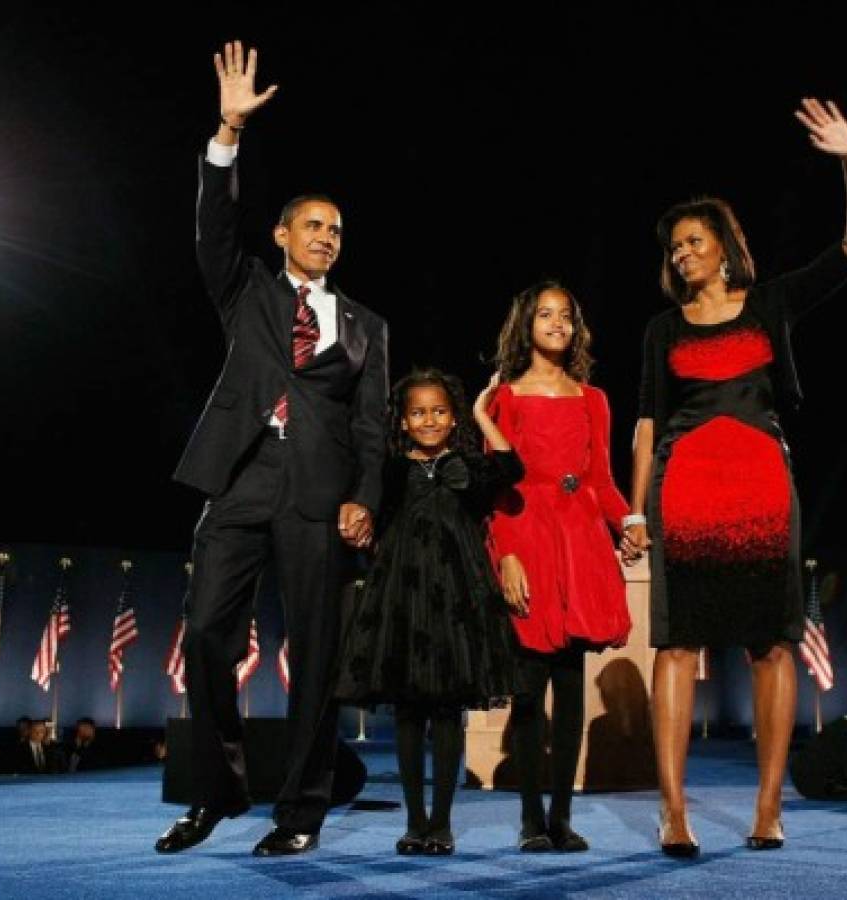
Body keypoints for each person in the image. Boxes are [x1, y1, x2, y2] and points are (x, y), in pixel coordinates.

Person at [623, 99, 847, 856]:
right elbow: (644, 424)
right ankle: (673, 811)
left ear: (724, 247)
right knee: (674, 647)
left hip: (762, 489)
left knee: (771, 643)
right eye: (673, 248)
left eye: (692, 242)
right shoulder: (661, 330)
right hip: (686, 490)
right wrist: (634, 513)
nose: (681, 255)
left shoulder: (769, 303)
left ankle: (768, 807)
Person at [156, 41, 389, 857]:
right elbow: (211, 225)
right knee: (205, 635)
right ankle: (215, 793)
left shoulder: (367, 327)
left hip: (321, 498)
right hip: (241, 480)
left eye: (337, 230)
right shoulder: (244, 287)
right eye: (314, 225)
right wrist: (228, 130)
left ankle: (301, 814)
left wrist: (365, 495)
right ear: (283, 232)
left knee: (317, 659)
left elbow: (371, 424)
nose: (327, 237)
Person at [337, 369, 522, 856]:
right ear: (402, 421)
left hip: (456, 601)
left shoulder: (467, 465)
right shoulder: (391, 470)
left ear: (453, 415)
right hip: (401, 598)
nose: (430, 420)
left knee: (446, 712)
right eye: (418, 413)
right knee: (407, 713)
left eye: (439, 411)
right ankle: (413, 822)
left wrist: (482, 413)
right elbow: (362, 502)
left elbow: (511, 468)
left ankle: (441, 823)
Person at [484, 282, 633, 852]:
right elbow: (499, 491)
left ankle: (562, 817)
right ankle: (529, 820)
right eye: (545, 314)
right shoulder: (507, 398)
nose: (556, 323)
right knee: (527, 686)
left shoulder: (593, 398)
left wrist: (631, 524)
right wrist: (509, 556)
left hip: (579, 542)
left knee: (571, 687)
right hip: (527, 539)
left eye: (565, 315)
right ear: (526, 325)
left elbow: (603, 482)